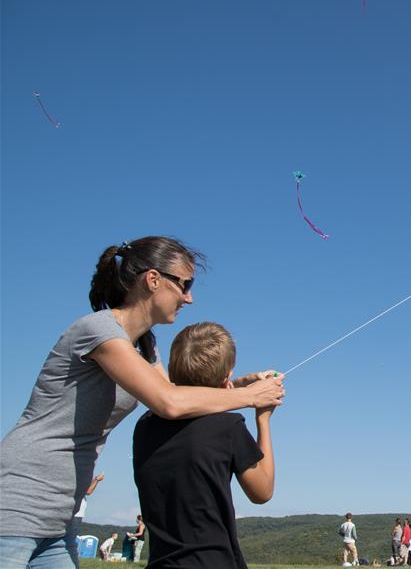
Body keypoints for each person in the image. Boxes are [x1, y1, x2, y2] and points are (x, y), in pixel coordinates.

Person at [0, 237, 285, 569]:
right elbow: (169, 403)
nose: (189, 298)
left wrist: (236, 384)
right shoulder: (99, 331)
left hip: (59, 516)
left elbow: (177, 397)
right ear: (153, 280)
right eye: (185, 284)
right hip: (19, 502)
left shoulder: (144, 348)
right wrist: (250, 399)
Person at [133, 322, 277, 568]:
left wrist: (242, 386)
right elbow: (262, 492)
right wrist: (263, 419)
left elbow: (198, 407)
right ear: (226, 377)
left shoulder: (145, 424)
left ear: (170, 368)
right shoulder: (228, 426)